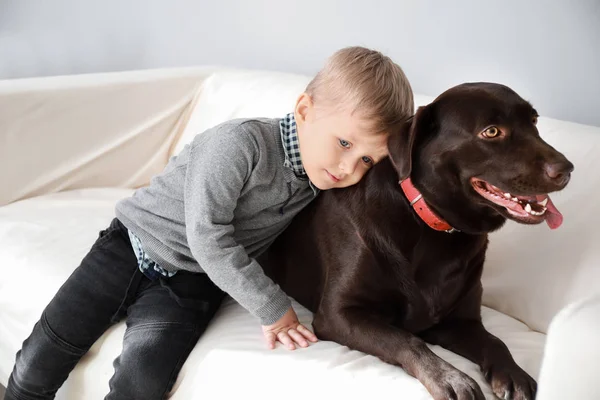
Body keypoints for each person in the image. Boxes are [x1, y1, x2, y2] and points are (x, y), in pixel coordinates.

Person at [5, 46, 414, 400]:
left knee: (143, 379)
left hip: (193, 281)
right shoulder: (239, 145)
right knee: (50, 346)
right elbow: (208, 236)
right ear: (304, 110)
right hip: (132, 244)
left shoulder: (322, 183)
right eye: (344, 143)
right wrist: (273, 308)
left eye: (367, 160)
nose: (349, 168)